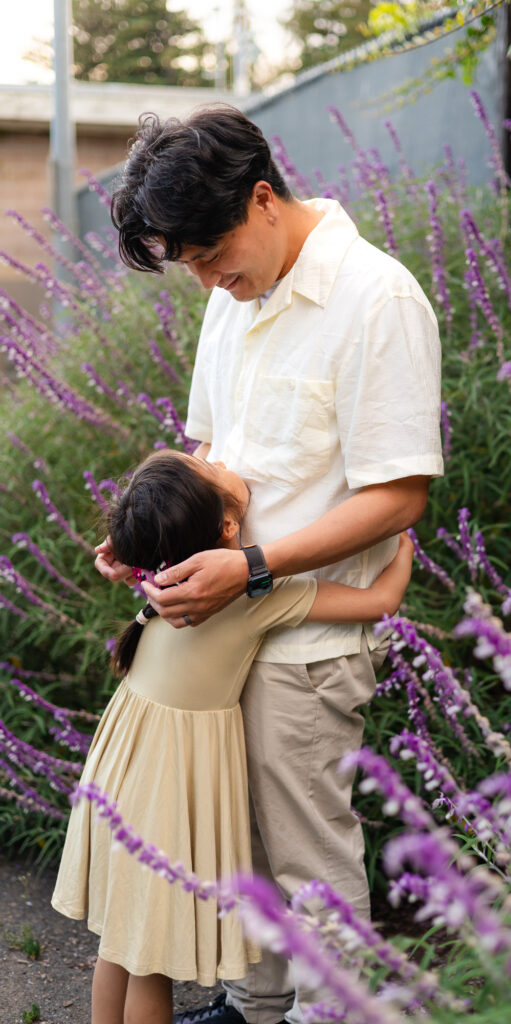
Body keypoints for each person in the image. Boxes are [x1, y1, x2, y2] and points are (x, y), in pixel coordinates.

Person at [97, 104, 443, 1024]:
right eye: (193, 267)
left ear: (261, 197)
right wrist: (149, 543)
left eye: (211, 256)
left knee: (308, 860)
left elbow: (399, 496)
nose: (209, 280)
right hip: (218, 619)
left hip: (303, 636)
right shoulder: (228, 298)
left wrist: (249, 567)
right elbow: (208, 448)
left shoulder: (378, 299)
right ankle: (261, 1006)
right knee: (236, 847)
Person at [53, 448, 415, 1024]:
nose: (223, 459)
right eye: (215, 468)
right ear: (226, 527)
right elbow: (381, 601)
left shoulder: (158, 578)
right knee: (149, 960)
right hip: (168, 794)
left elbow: (159, 479)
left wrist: (130, 538)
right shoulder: (251, 594)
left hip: (121, 775)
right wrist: (401, 546)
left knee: (119, 943)